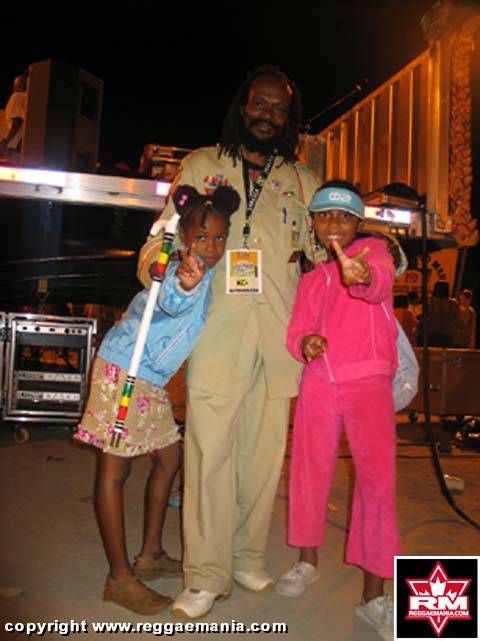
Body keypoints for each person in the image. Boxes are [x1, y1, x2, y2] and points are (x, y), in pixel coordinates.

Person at [137, 65, 320, 619]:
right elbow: (162, 238)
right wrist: (163, 269)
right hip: (217, 332)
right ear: (243, 106)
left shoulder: (302, 181)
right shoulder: (203, 165)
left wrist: (382, 257)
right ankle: (204, 575)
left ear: (289, 119)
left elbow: (330, 248)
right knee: (209, 455)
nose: (268, 115)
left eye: (279, 109)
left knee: (261, 459)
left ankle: (244, 556)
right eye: (259, 104)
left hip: (280, 338)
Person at [75, 184, 240, 615]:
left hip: (150, 379)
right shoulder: (178, 266)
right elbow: (169, 299)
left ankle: (149, 554)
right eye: (202, 237)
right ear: (184, 237)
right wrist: (185, 285)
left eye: (219, 237)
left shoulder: (207, 270)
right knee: (114, 470)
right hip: (125, 370)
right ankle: (119, 578)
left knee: (170, 459)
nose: (211, 246)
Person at [276, 180, 399, 641]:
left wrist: (362, 275)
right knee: (308, 472)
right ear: (312, 222)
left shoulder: (375, 254)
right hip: (319, 384)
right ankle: (307, 560)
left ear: (357, 223)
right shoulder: (312, 276)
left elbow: (378, 282)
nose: (333, 223)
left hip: (368, 383)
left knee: (377, 484)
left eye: (343, 216)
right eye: (324, 215)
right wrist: (304, 343)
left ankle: (375, 595)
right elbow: (298, 329)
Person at [0, 73, 28, 159]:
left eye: (16, 84)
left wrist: (6, 141)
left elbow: (17, 120)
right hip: (21, 145)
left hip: (13, 147)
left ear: (21, 86)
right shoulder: (27, 98)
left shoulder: (17, 97)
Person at [427, 281, 459, 347]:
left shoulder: (429, 302)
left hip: (432, 332)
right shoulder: (453, 303)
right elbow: (457, 318)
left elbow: (425, 316)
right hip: (447, 333)